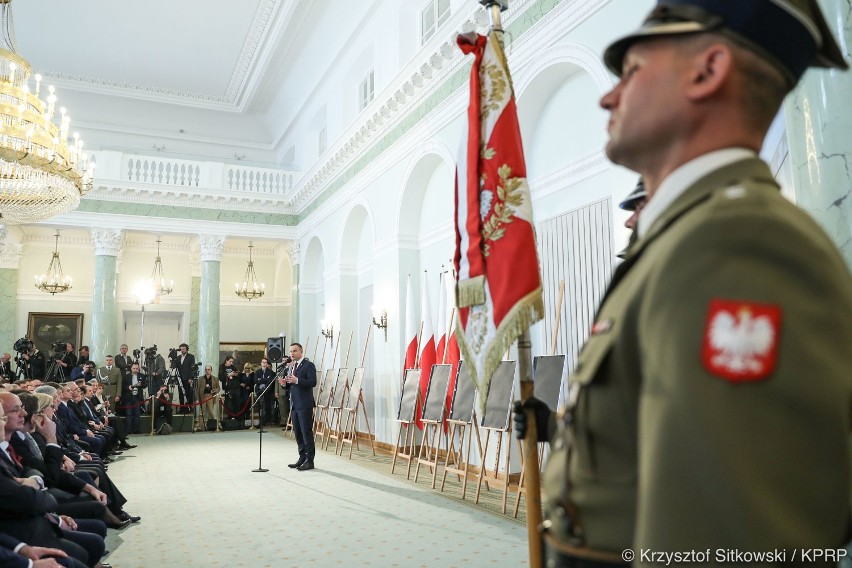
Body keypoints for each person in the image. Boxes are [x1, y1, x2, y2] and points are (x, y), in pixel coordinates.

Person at [514, 1, 852, 565]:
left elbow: (725, 541)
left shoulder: (739, 246)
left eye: (631, 71)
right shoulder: (682, 240)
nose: (607, 96)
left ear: (707, 70)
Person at [279, 343, 316, 471]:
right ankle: (301, 457)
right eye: (290, 351)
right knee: (298, 433)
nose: (292, 354)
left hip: (305, 404)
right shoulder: (291, 366)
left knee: (306, 432)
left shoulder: (308, 365)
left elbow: (313, 382)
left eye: (294, 351)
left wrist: (298, 380)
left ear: (301, 351)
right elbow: (291, 385)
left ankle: (309, 460)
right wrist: (284, 384)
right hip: (294, 404)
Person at [120, 363, 147, 435]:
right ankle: (128, 430)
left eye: (136, 368)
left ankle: (136, 430)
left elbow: (145, 385)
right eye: (134, 368)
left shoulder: (142, 376)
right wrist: (128, 387)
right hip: (128, 397)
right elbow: (123, 386)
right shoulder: (126, 376)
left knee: (137, 414)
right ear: (131, 368)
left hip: (137, 397)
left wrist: (141, 384)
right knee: (128, 414)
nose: (135, 370)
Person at [252, 358, 277, 427]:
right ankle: (261, 422)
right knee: (261, 407)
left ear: (267, 364)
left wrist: (261, 379)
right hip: (259, 392)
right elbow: (256, 381)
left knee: (267, 407)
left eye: (265, 362)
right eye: (263, 362)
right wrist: (264, 380)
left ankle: (267, 421)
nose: (264, 363)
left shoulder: (270, 372)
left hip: (268, 392)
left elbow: (269, 381)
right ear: (261, 363)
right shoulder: (257, 372)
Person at [195, 365, 218, 431]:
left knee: (211, 411)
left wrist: (215, 390)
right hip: (203, 396)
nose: (207, 371)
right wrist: (197, 399)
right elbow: (197, 389)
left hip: (210, 396)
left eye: (209, 369)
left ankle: (210, 426)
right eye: (206, 369)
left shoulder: (215, 378)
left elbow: (218, 388)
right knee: (202, 412)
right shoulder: (201, 378)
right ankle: (200, 426)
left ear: (211, 370)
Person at [175, 344, 196, 414]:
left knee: (188, 394)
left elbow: (193, 369)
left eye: (183, 349)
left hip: (187, 378)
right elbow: (176, 367)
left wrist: (191, 378)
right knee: (180, 394)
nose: (182, 350)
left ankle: (188, 408)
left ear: (186, 349)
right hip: (180, 379)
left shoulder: (191, 357)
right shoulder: (178, 358)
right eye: (181, 349)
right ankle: (182, 408)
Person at [219, 357, 241, 422]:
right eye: (230, 361)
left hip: (235, 388)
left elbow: (238, 374)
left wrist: (236, 374)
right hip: (228, 388)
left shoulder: (233, 367)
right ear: (226, 361)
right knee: (229, 405)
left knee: (237, 404)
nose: (231, 363)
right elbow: (221, 378)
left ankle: (237, 419)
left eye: (232, 362)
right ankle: (231, 418)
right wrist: (228, 375)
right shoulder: (222, 367)